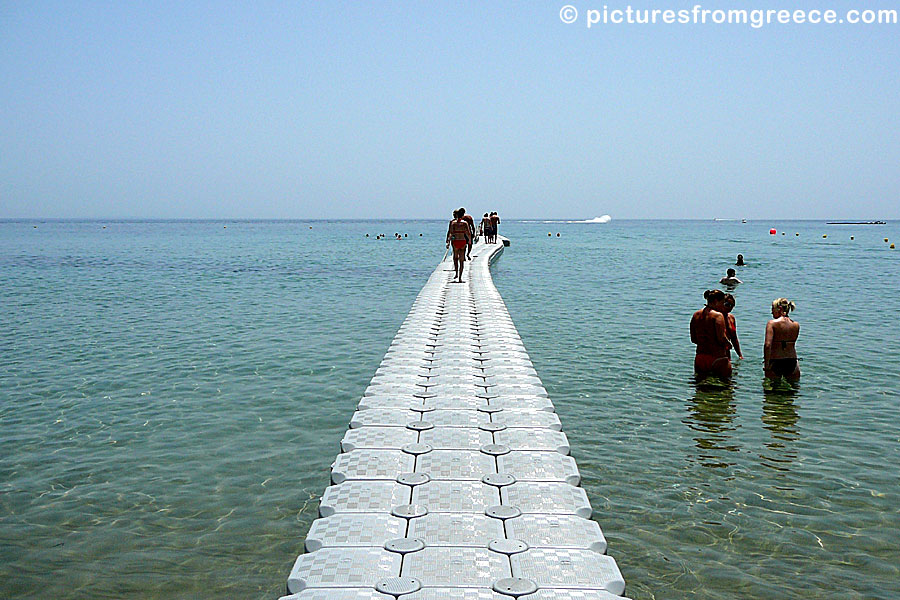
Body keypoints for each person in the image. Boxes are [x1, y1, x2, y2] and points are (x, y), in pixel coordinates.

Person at [690, 289, 732, 379]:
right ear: (716, 301)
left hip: (700, 357)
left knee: (700, 388)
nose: (723, 306)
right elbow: (721, 338)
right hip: (717, 357)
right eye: (722, 302)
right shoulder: (718, 316)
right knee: (726, 388)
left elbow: (693, 339)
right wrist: (729, 344)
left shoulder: (696, 315)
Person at [764, 298, 801, 380]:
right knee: (792, 391)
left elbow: (767, 345)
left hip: (776, 361)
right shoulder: (796, 325)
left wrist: (766, 366)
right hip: (792, 362)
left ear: (779, 309)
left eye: (773, 309)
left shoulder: (772, 324)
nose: (771, 312)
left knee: (771, 391)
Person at [446, 209, 472, 283]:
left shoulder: (453, 223)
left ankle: (456, 273)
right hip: (462, 241)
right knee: (461, 260)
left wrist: (448, 241)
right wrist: (469, 241)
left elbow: (451, 233)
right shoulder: (465, 223)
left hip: (455, 241)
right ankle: (460, 277)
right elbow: (468, 233)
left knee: (455, 258)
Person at [722, 293, 743, 360]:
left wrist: (740, 355)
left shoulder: (731, 318)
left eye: (732, 305)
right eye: (727, 305)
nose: (730, 307)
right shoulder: (716, 318)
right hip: (716, 352)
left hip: (727, 353)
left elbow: (734, 338)